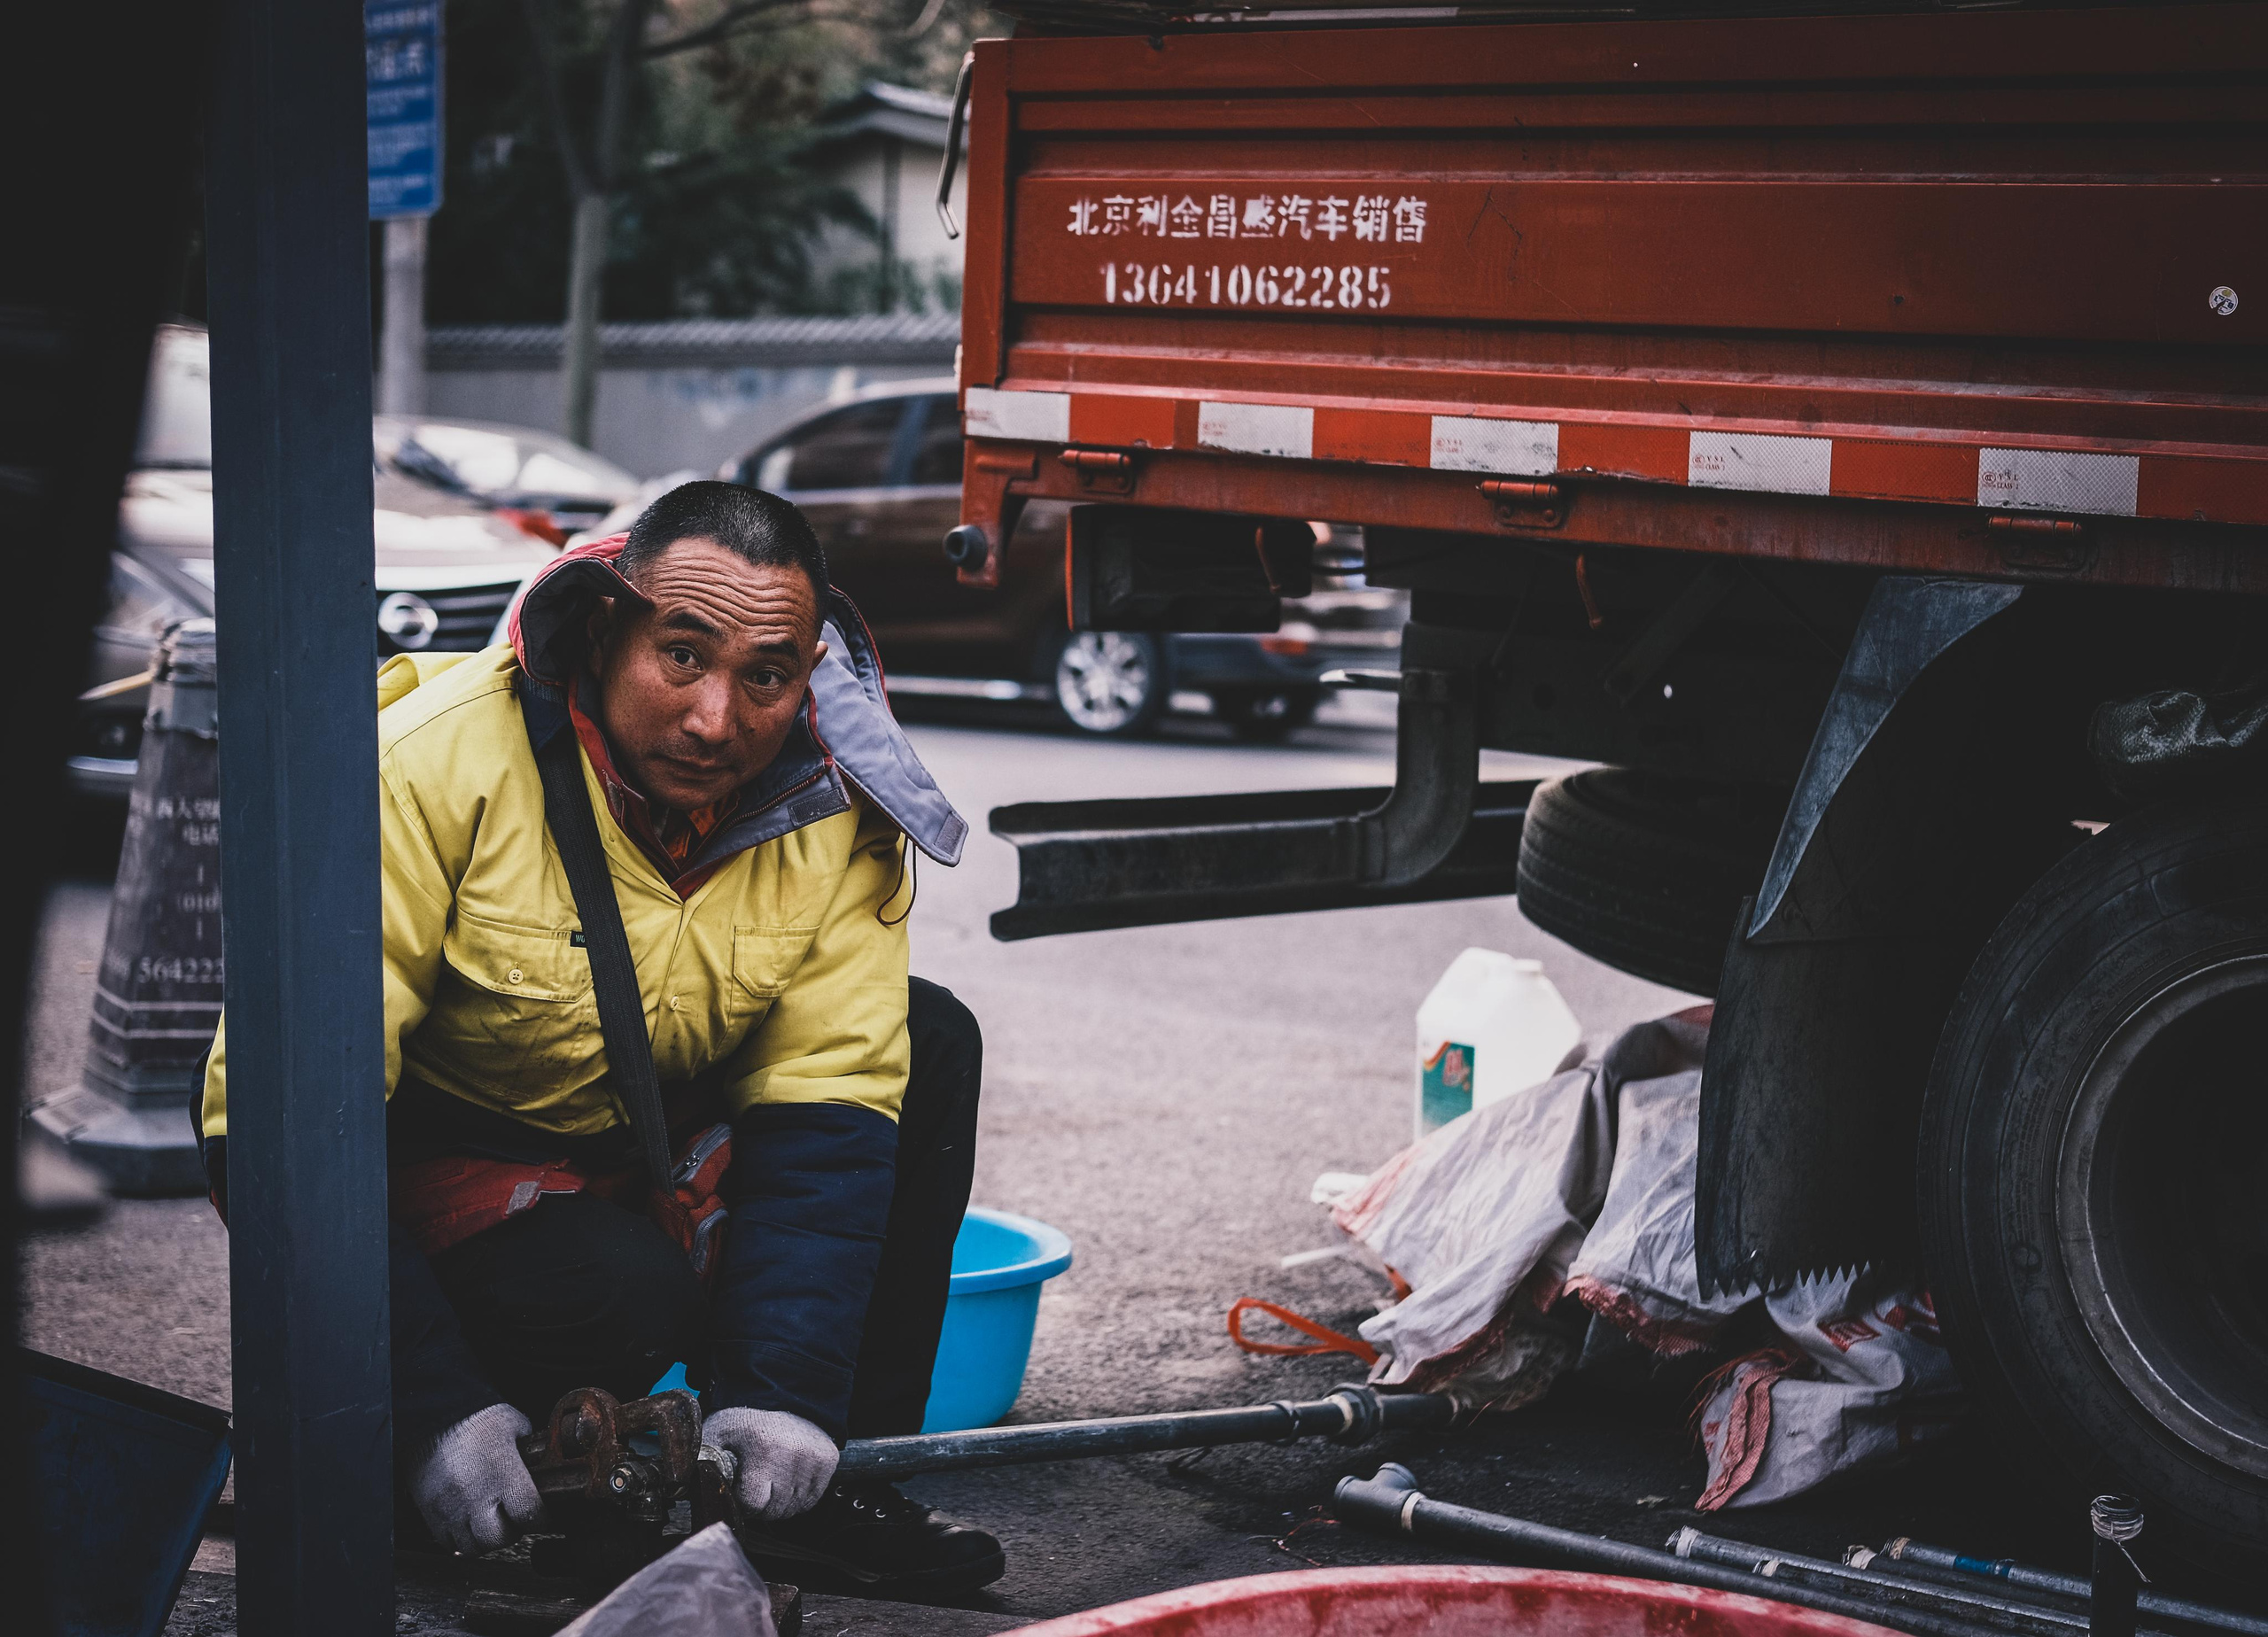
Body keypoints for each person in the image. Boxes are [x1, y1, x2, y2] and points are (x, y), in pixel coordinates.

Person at [195, 482, 1003, 1594]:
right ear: (604, 628)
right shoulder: (422, 765)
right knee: (615, 1292)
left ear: (807, 677)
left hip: (643, 1136)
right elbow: (276, 1125)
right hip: (440, 1167)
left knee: (931, 1042)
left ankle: (820, 1485)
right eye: (681, 656)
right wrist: (428, 1410)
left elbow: (833, 1105)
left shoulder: (839, 805)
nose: (717, 719)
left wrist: (786, 1395)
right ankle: (438, 1462)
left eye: (764, 675)